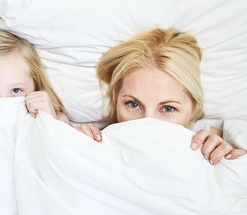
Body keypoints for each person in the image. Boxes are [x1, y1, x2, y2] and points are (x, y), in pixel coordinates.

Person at [76, 28, 246, 165]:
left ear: (194, 108)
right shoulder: (98, 140)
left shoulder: (211, 141)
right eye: (133, 105)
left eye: (168, 108)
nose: (147, 122)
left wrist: (233, 162)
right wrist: (73, 144)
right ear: (116, 99)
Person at [0, 30, 70, 124]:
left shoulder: (55, 118)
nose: (3, 103)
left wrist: (50, 119)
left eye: (16, 90)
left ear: (36, 84)